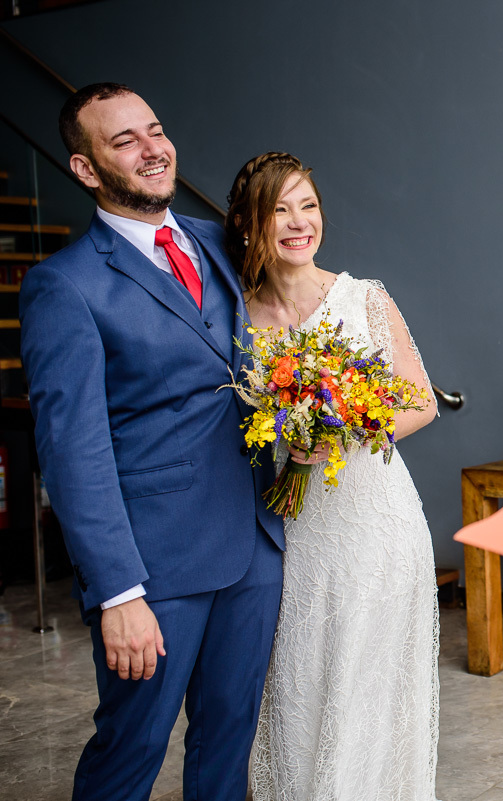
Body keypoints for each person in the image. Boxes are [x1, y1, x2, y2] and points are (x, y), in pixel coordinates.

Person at [19, 84, 284, 801]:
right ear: (84, 168)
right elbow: (74, 451)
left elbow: (252, 363)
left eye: (155, 130)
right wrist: (118, 592)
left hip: (253, 544)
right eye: (124, 140)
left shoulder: (215, 239)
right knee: (131, 751)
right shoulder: (63, 287)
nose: (151, 148)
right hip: (154, 567)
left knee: (230, 743)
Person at [226, 152, 440, 800]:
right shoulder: (237, 317)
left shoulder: (363, 296)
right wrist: (291, 438)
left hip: (375, 524)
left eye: (308, 205)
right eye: (280, 209)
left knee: (367, 686)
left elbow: (420, 400)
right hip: (294, 531)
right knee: (298, 682)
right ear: (250, 225)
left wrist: (344, 426)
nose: (298, 222)